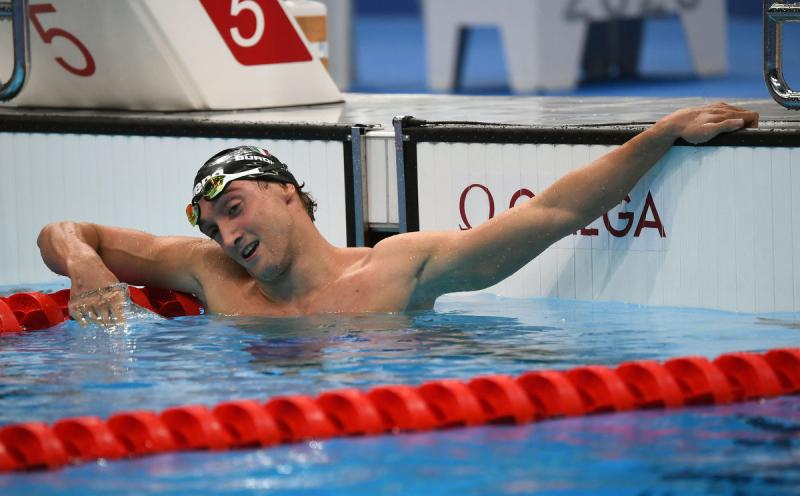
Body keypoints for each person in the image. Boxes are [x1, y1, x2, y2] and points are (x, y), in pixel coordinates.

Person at [38, 103, 759, 326]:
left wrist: (663, 134)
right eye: (214, 227)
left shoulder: (399, 269)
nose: (229, 236)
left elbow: (556, 210)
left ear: (287, 191)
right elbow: (63, 233)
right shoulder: (211, 274)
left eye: (234, 209)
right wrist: (85, 268)